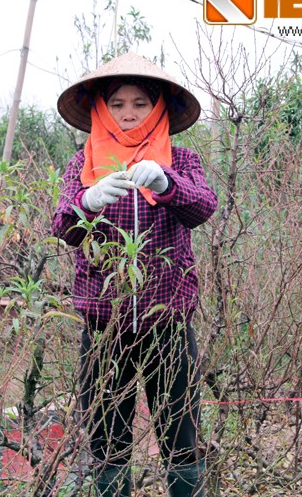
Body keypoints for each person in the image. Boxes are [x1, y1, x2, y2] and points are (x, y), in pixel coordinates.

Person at [52, 53, 217, 496]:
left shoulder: (180, 160)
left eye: (141, 103)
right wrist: (88, 201)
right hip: (104, 327)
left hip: (169, 324)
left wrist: (167, 184)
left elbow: (204, 206)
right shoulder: (81, 164)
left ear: (158, 107)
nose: (128, 113)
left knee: (181, 435)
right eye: (118, 103)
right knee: (108, 442)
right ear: (101, 110)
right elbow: (62, 226)